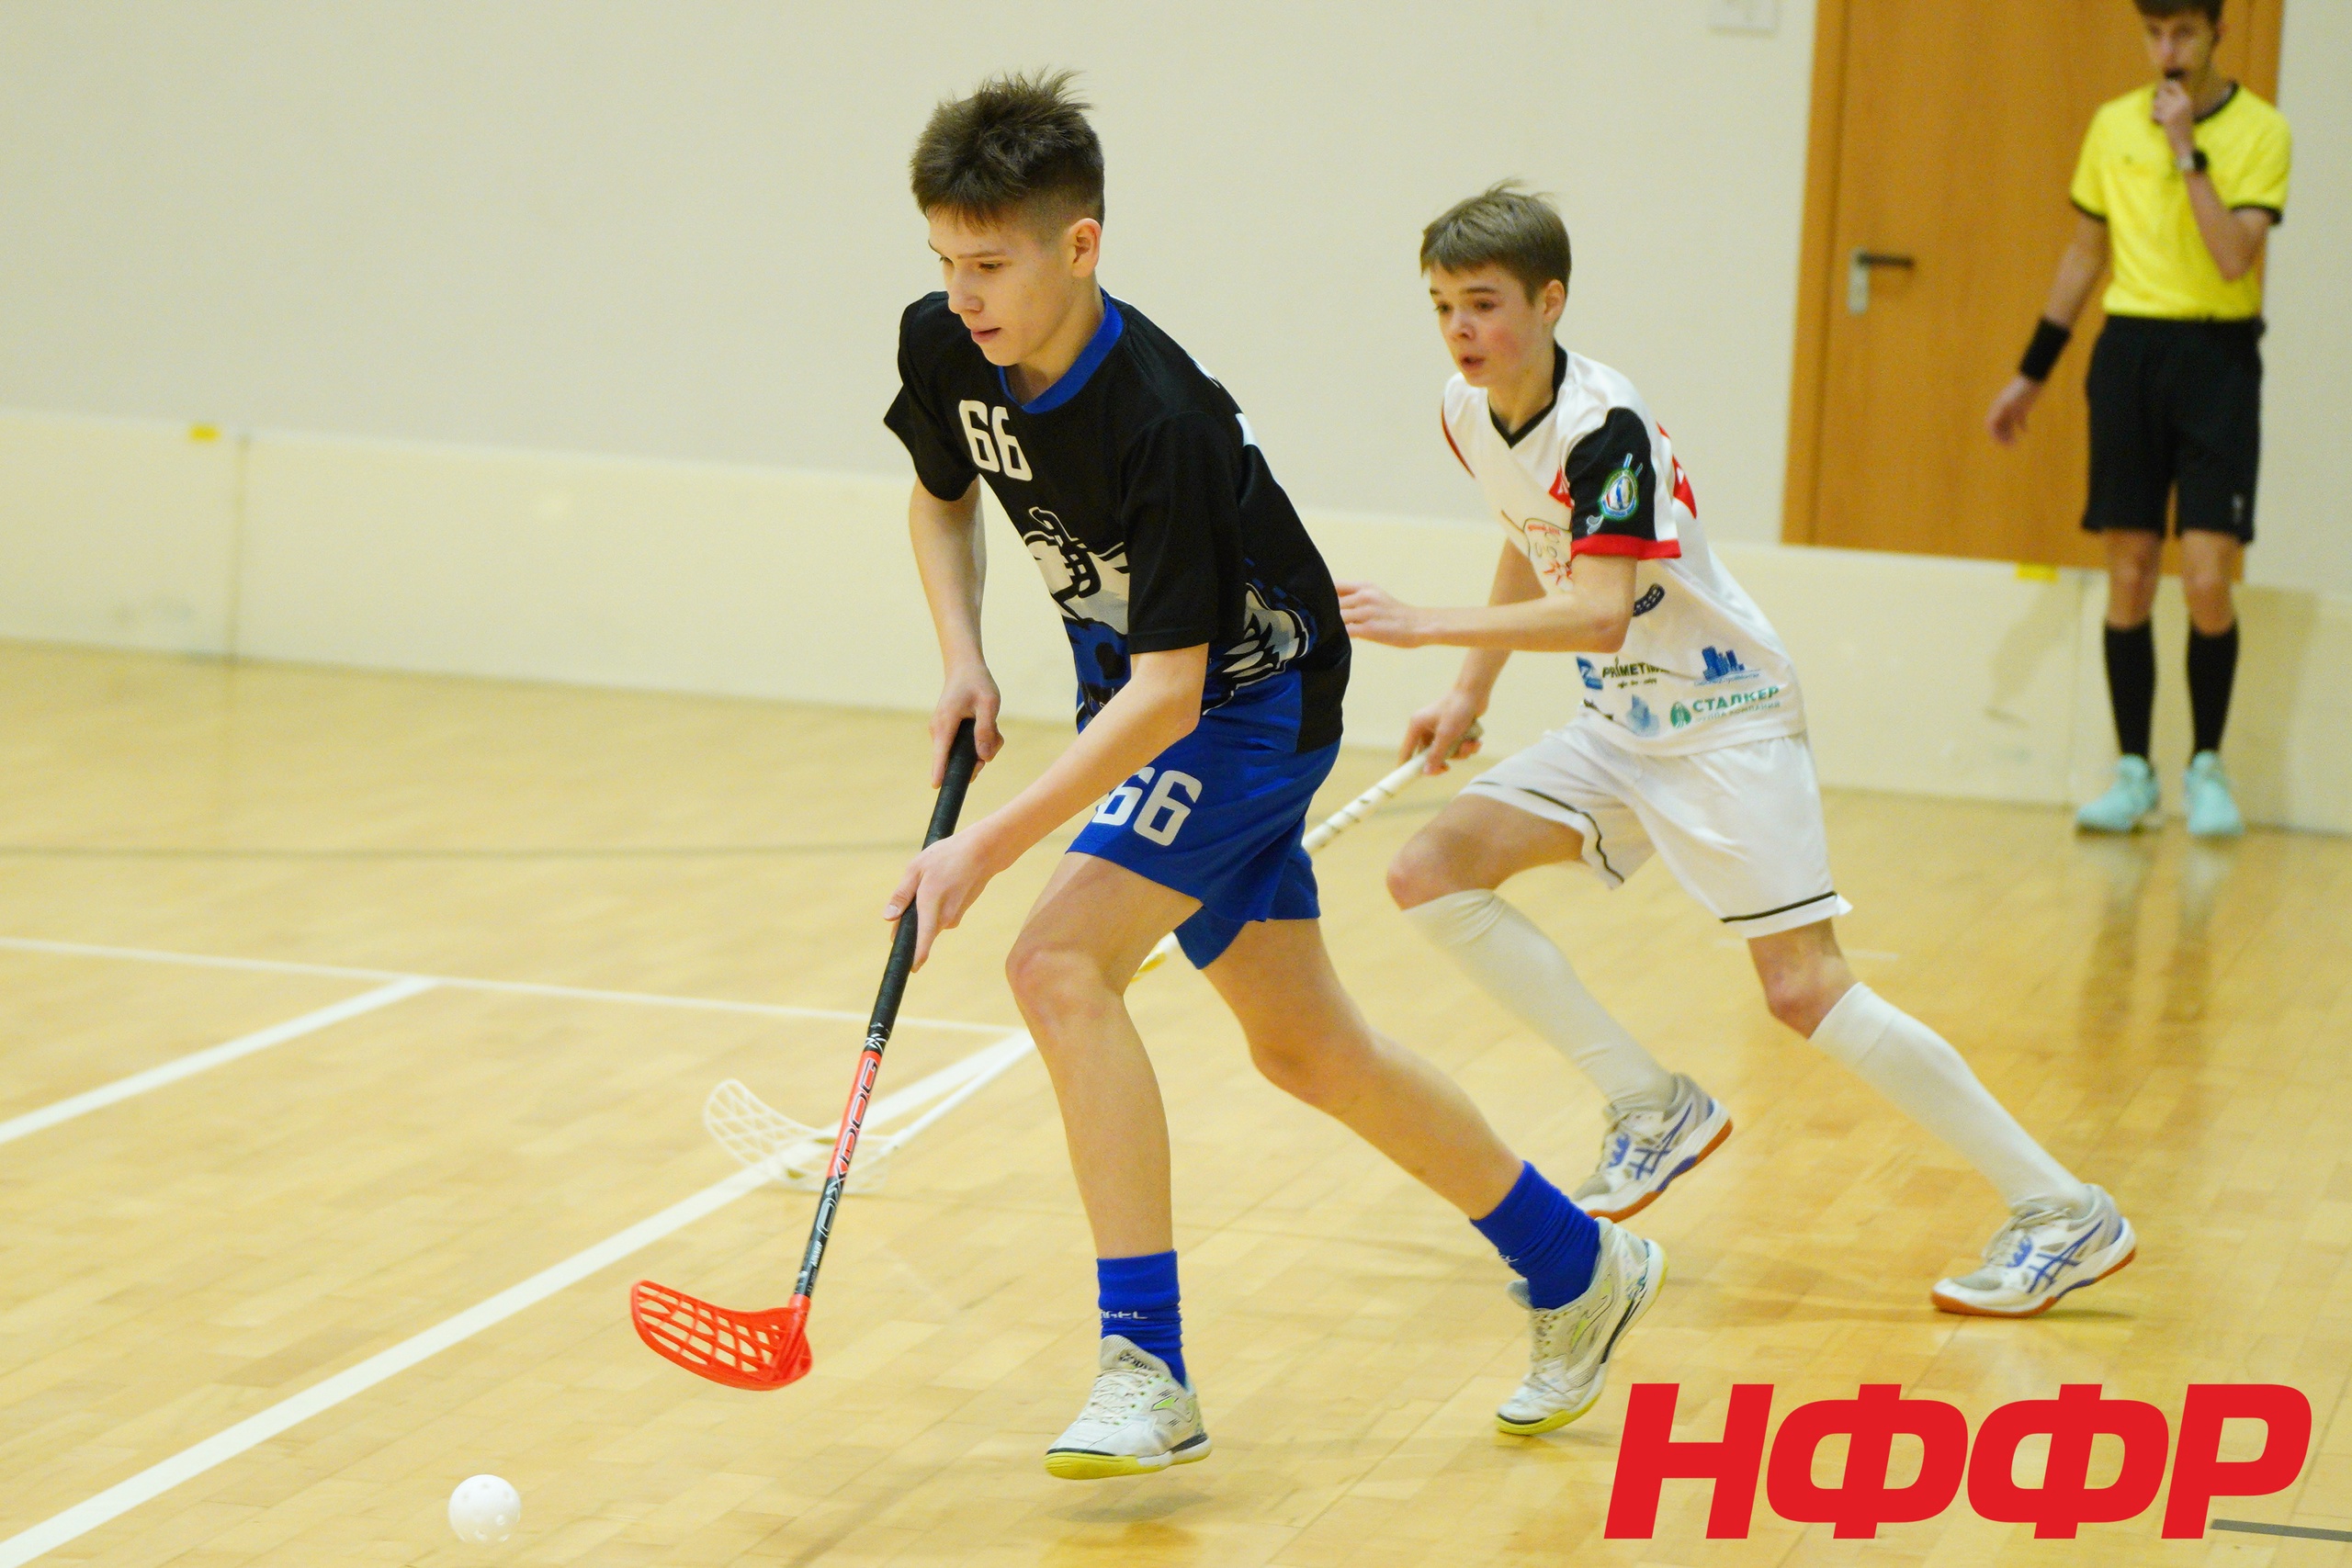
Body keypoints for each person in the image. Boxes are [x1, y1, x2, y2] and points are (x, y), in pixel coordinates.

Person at [878, 75, 1663, 1477]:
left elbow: (1176, 693)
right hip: (1147, 694)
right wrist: (963, 658)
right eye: (944, 260)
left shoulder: (1162, 419)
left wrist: (981, 847)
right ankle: (1577, 1262)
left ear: (1080, 245)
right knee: (1306, 1045)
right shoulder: (945, 345)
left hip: (1252, 705)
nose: (962, 294)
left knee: (1055, 963)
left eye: (988, 263)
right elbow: (942, 496)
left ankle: (1147, 1364)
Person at [1340, 185, 2136, 1318]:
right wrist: (1468, 689)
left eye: (1483, 304)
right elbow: (1532, 534)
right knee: (1430, 871)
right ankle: (1651, 1106)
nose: (1460, 330)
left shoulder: (1605, 425)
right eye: (1441, 307)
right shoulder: (1468, 412)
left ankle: (2061, 1209)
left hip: (1724, 722)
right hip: (1622, 726)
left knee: (1804, 990)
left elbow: (1599, 610)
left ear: (1550, 301)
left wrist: (1425, 625)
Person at [1986, 0, 2290, 836]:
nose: (2167, 51)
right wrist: (2030, 375)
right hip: (2129, 354)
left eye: (2183, 33)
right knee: (2129, 568)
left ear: (2216, 33)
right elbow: (2085, 253)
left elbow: (2232, 256)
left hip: (2216, 358)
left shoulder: (2262, 131)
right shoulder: (2112, 125)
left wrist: (2188, 152)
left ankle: (2208, 767)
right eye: (2154, 34)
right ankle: (2132, 772)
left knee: (2206, 573)